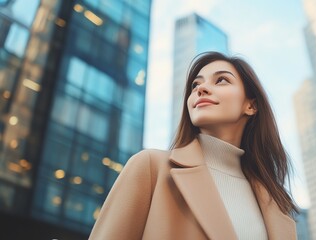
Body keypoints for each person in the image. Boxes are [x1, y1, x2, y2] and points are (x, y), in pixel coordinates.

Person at [89, 52, 298, 240]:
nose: (201, 89)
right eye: (195, 85)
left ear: (251, 105)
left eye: (221, 80)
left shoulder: (276, 203)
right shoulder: (151, 168)